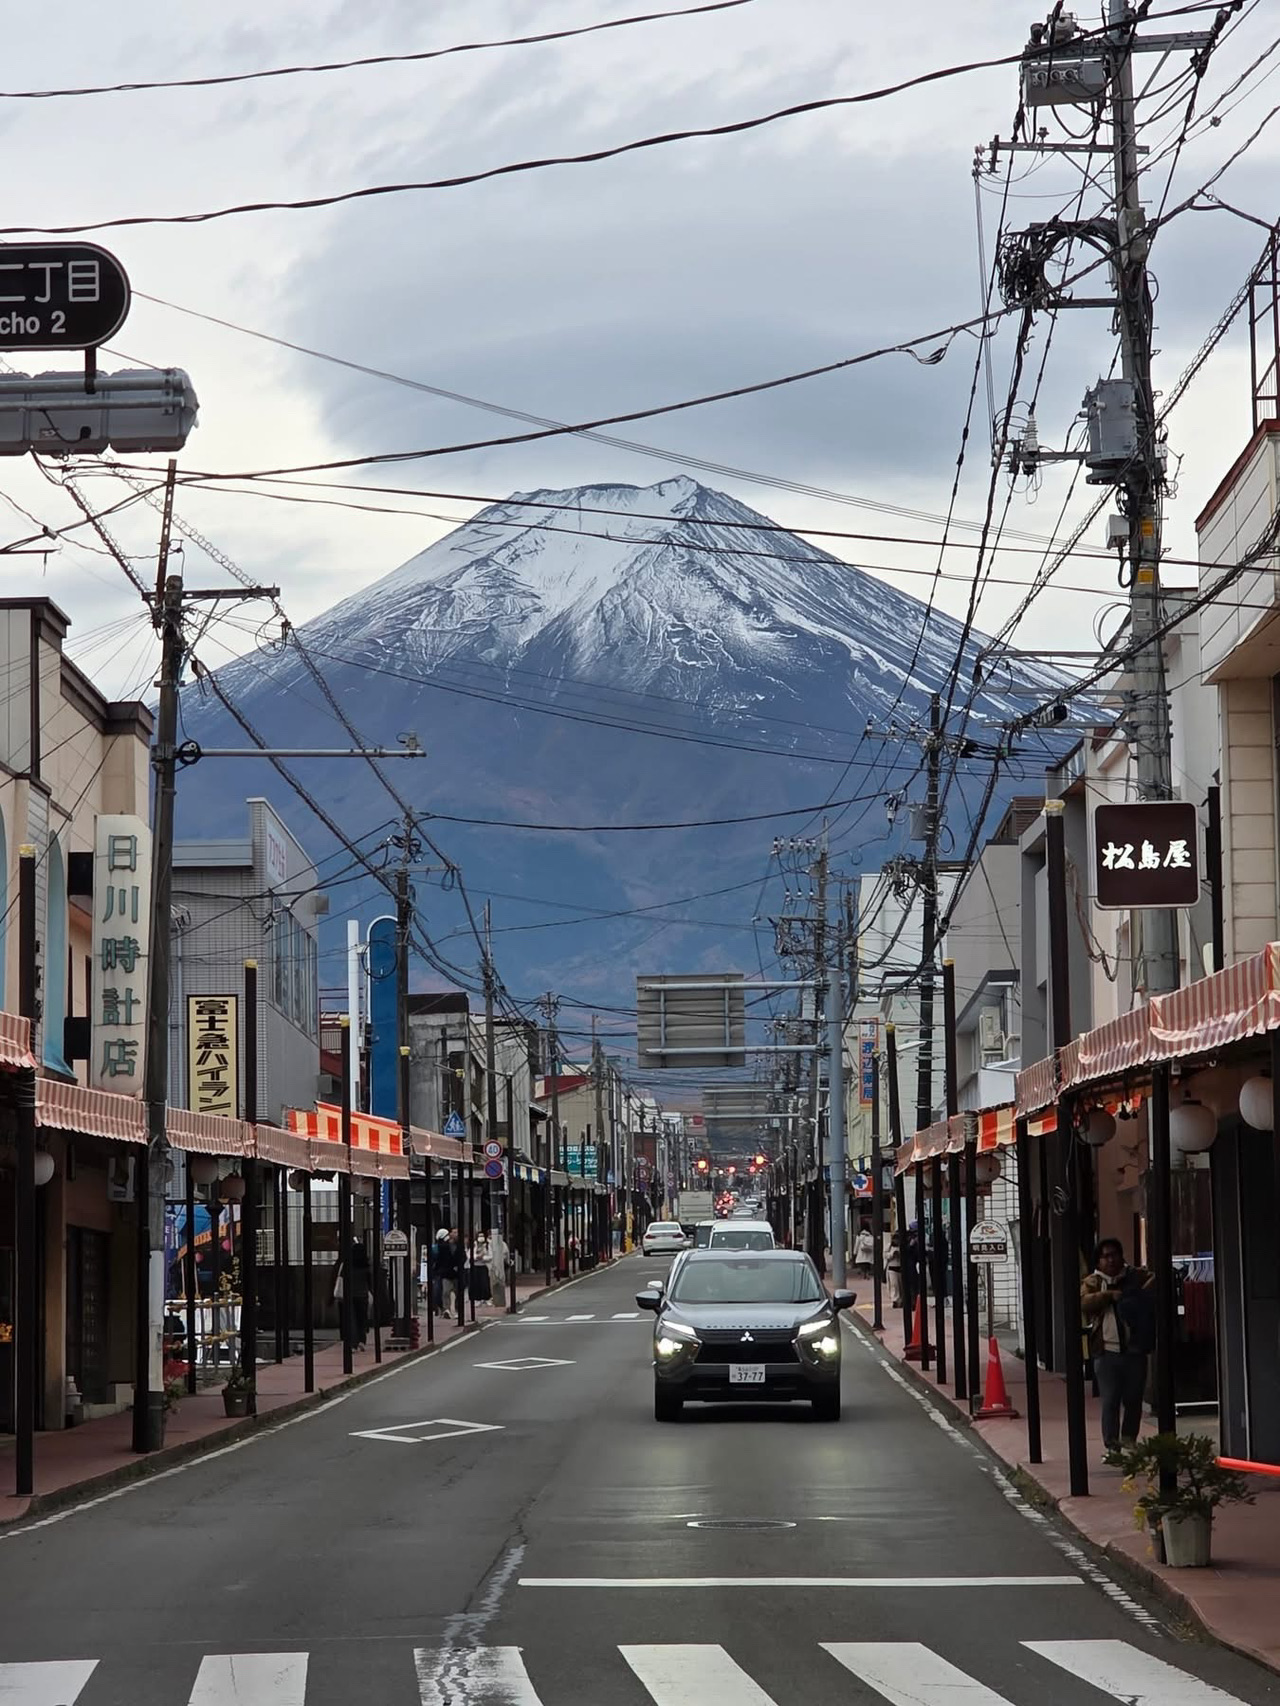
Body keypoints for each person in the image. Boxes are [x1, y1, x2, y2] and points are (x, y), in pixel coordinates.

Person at [1081, 1236, 1155, 1454]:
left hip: (1135, 1350)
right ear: (1098, 1261)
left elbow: (1155, 1279)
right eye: (1106, 1256)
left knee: (1134, 1399)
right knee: (1111, 1400)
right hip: (1106, 1351)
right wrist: (1108, 1295)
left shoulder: (1134, 1277)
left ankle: (1129, 1440)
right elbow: (1084, 1303)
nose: (1111, 1260)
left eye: (1114, 1255)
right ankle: (1112, 1447)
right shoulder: (1093, 1282)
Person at [333, 1239, 373, 1351]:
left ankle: (353, 1344)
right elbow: (370, 1283)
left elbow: (341, 1278)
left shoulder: (347, 1265)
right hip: (363, 1295)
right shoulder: (366, 1266)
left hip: (349, 1296)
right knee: (362, 1319)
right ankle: (362, 1341)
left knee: (351, 1320)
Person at [885, 1232, 904, 1308]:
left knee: (900, 1285)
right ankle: (895, 1300)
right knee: (894, 1285)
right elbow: (885, 1255)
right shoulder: (889, 1246)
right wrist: (892, 1254)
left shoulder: (902, 1246)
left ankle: (900, 1300)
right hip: (892, 1268)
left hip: (900, 1267)